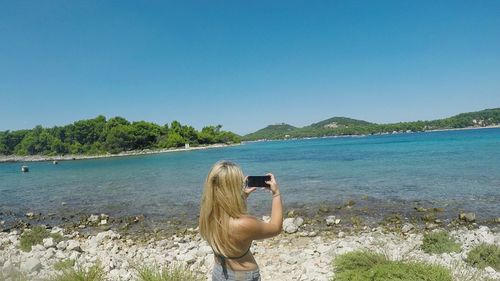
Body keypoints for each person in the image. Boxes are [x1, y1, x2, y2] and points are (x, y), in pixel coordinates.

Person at [199, 160, 283, 281]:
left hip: (219, 272)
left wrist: (242, 197)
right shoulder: (243, 224)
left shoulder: (207, 214)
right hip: (241, 277)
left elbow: (226, 211)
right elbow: (276, 228)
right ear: (234, 188)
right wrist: (276, 194)